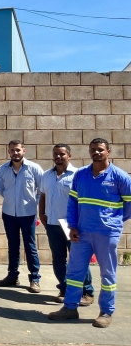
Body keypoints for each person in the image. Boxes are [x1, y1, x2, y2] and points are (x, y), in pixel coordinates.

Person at [49, 138, 130, 328]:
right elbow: (72, 202)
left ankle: (106, 311)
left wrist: (115, 221)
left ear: (108, 151)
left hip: (107, 233)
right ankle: (70, 308)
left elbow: (129, 204)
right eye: (93, 149)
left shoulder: (120, 176)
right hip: (82, 233)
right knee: (75, 272)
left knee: (107, 273)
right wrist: (73, 226)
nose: (96, 152)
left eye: (100, 149)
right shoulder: (81, 175)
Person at [39, 144, 93, 305]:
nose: (58, 156)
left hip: (72, 225)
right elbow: (43, 195)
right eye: (55, 154)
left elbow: (84, 200)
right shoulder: (47, 175)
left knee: (78, 258)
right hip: (52, 223)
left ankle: (87, 291)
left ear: (69, 155)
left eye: (62, 154)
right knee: (58, 258)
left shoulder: (78, 175)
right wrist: (41, 213)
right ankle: (64, 289)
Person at [0, 140, 44, 292]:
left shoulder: (34, 168)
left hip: (28, 214)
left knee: (30, 246)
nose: (15, 153)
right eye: (12, 150)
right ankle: (12, 276)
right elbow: (1, 189)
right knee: (13, 245)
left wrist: (34, 204)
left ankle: (35, 278)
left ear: (24, 150)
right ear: (8, 152)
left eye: (17, 150)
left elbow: (41, 190)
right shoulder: (3, 169)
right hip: (9, 213)